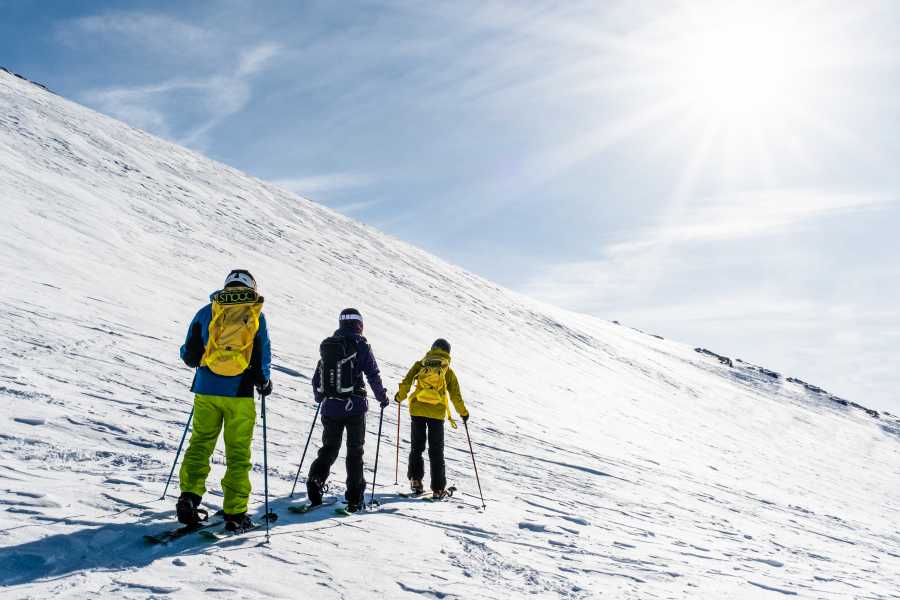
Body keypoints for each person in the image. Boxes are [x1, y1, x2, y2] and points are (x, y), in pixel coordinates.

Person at [176, 269, 272, 531]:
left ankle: (189, 497)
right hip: (239, 393)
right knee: (238, 452)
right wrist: (264, 381)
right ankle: (235, 512)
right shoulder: (255, 314)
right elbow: (263, 354)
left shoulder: (207, 311)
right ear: (251, 287)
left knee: (200, 444)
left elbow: (189, 356)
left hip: (206, 390)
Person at [307, 308, 389, 512]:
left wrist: (321, 397)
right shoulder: (361, 345)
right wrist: (382, 397)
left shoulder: (330, 345)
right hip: (355, 407)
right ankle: (354, 496)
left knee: (329, 448)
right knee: (355, 451)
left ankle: (316, 479)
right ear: (359, 325)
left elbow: (318, 377)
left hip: (331, 407)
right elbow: (372, 374)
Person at [394, 338, 469, 499]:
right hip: (437, 413)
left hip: (417, 410)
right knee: (436, 451)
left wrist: (399, 397)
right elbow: (456, 396)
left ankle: (415, 481)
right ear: (447, 352)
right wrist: (463, 413)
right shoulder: (447, 371)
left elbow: (406, 383)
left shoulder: (420, 364)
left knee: (417, 447)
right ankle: (438, 489)